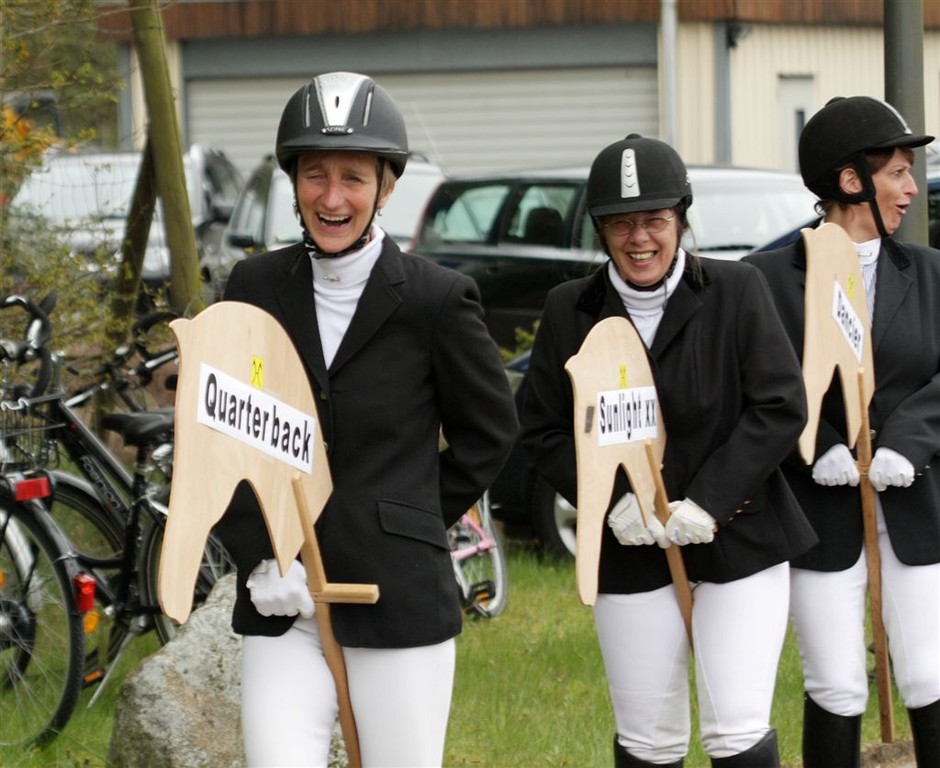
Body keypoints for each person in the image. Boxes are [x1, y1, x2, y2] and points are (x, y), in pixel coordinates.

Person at [212, 71, 518, 767]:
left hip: (395, 595)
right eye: (314, 175)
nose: (332, 198)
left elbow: (490, 433)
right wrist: (258, 550)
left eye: (352, 177)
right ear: (293, 182)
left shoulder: (439, 300)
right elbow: (221, 436)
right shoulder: (252, 288)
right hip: (283, 599)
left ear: (386, 186)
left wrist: (409, 517)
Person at [521, 134, 817, 767]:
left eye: (654, 219)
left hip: (739, 539)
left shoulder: (737, 290)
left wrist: (709, 500)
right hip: (632, 550)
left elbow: (779, 406)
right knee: (649, 739)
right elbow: (542, 429)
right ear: (600, 230)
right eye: (620, 224)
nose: (639, 239)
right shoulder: (569, 309)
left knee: (735, 729)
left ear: (681, 218)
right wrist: (615, 504)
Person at [745, 96, 940, 768]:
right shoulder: (765, 280)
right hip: (818, 514)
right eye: (897, 173)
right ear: (851, 179)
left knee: (930, 672)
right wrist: (819, 442)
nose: (911, 188)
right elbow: (759, 384)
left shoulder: (931, 274)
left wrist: (909, 439)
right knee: (836, 680)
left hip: (915, 506)